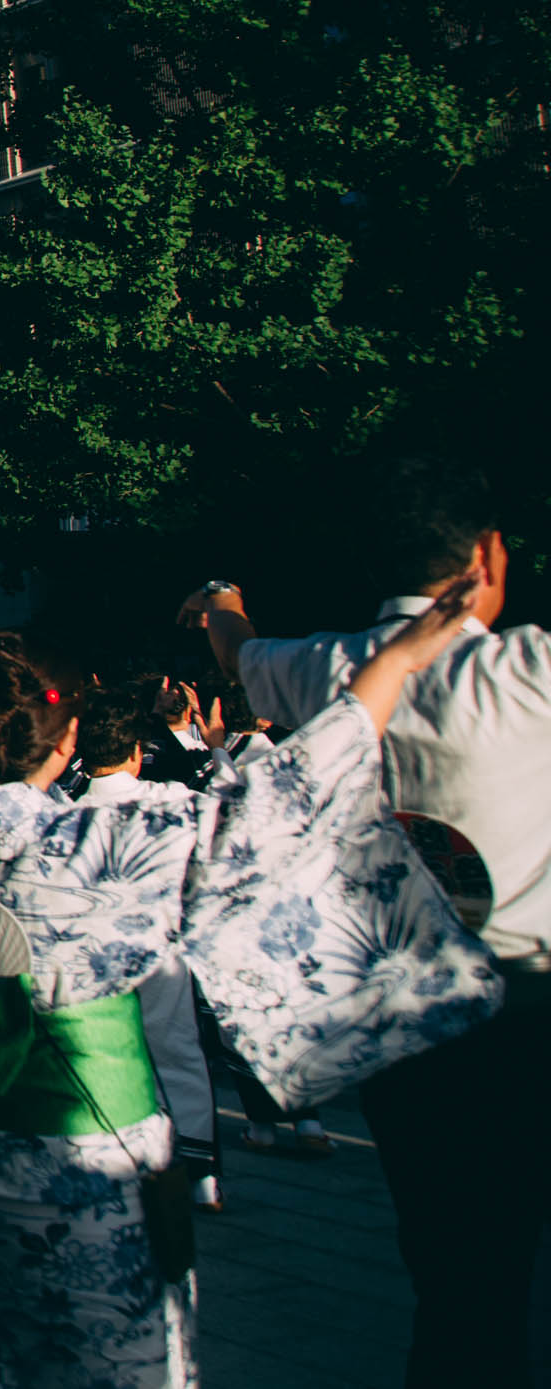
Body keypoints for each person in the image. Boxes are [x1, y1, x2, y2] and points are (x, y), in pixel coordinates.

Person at [0, 601, 498, 1389]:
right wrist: (390, 666)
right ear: (66, 741)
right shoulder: (106, 840)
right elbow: (285, 796)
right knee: (123, 1364)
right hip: (79, 1146)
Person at [181, 457, 551, 1381]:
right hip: (533, 1003)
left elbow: (234, 652)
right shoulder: (532, 670)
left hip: (401, 1021)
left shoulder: (322, 669)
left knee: (460, 1278)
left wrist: (222, 596)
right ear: (487, 557)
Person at [69, 686, 223, 1210]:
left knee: (103, 1055)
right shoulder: (175, 803)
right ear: (136, 752)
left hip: (91, 954)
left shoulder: (61, 812)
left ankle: (119, 1160)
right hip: (160, 945)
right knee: (178, 1054)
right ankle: (199, 1175)